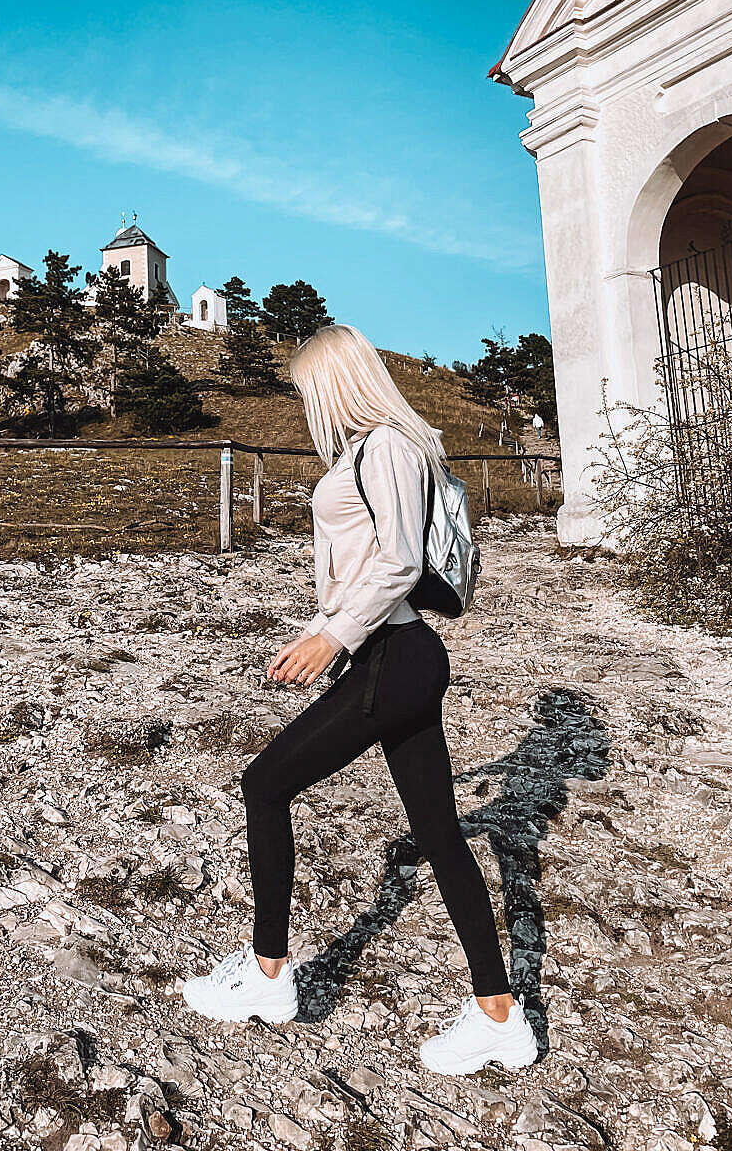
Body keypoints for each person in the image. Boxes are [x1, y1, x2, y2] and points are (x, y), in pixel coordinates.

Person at [182, 324, 537, 1077]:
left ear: (336, 382)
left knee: (264, 783)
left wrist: (333, 639)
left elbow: (401, 561)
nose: (306, 401)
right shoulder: (367, 451)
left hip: (393, 656)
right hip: (387, 654)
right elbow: (361, 563)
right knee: (439, 833)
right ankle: (499, 1015)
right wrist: (318, 631)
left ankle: (270, 976)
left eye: (310, 387)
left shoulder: (390, 447)